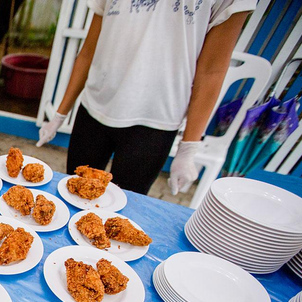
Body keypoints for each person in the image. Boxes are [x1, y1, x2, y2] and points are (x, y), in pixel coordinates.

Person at [36, 0, 255, 195]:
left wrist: (189, 147)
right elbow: (88, 51)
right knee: (75, 190)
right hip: (95, 106)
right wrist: (59, 115)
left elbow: (211, 71)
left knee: (123, 209)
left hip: (155, 121)